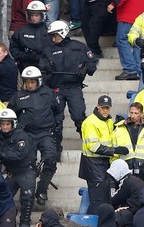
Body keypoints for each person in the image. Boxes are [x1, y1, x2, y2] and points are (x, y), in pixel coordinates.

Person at [41, 20, 97, 160]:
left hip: (74, 87)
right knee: (56, 121)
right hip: (56, 88)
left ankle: (88, 145)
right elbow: (42, 70)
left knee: (79, 116)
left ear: (62, 33)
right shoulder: (48, 50)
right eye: (51, 36)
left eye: (55, 35)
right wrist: (47, 71)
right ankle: (56, 150)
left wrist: (85, 69)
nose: (53, 39)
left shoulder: (79, 47)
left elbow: (92, 62)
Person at [0, 108, 36, 227]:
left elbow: (20, 155)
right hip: (12, 173)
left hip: (26, 171)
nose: (5, 127)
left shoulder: (21, 136)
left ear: (13, 124)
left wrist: (0, 154)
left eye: (8, 124)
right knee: (2, 197)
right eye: (2, 124)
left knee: (27, 197)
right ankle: (7, 224)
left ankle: (25, 224)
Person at [8, 66, 58, 204]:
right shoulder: (18, 96)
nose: (29, 85)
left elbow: (58, 110)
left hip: (45, 132)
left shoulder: (48, 93)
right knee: (26, 164)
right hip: (26, 134)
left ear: (38, 81)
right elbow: (11, 115)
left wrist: (56, 126)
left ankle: (42, 189)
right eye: (27, 82)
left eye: (32, 82)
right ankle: (25, 192)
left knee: (50, 158)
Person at [79, 95, 128, 214]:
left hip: (103, 164)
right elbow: (93, 146)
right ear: (98, 107)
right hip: (93, 165)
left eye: (107, 108)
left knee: (104, 199)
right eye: (103, 108)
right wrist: (114, 150)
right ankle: (93, 226)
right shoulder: (90, 122)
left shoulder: (109, 121)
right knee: (97, 201)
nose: (105, 110)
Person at [112, 102, 144, 174]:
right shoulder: (119, 129)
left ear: (142, 114)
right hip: (125, 167)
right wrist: (114, 166)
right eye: (131, 113)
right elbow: (114, 150)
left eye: (136, 113)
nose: (133, 116)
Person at [107, 0, 144, 80]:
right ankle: (138, 70)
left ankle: (130, 69)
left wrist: (113, 4)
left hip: (128, 12)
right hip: (141, 12)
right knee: (137, 42)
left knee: (122, 40)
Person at [9, 1, 53, 72]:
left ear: (42, 15)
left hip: (46, 67)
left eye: (36, 15)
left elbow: (55, 48)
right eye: (32, 15)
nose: (33, 18)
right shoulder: (21, 31)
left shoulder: (49, 31)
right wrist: (24, 56)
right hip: (26, 66)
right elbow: (14, 47)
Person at [106, 159, 144, 225]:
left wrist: (112, 184)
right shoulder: (134, 179)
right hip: (141, 210)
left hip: (134, 211)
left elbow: (113, 199)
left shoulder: (126, 182)